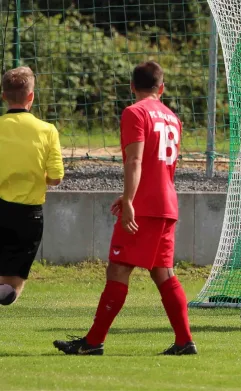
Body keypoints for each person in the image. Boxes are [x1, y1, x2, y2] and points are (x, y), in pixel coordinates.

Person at [53, 61, 197, 355]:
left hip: (144, 206)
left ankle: (93, 342)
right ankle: (184, 341)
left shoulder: (135, 112)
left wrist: (130, 199)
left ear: (132, 86)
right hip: (167, 203)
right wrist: (131, 195)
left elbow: (136, 160)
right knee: (163, 273)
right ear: (162, 87)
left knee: (118, 269)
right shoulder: (172, 117)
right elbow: (162, 166)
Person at [0, 66, 64, 305]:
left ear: (4, 95)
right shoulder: (47, 131)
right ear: (31, 96)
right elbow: (56, 177)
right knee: (12, 286)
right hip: (27, 214)